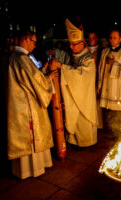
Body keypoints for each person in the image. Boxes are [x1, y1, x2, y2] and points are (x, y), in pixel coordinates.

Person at [7, 31, 58, 179]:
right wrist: (48, 77)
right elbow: (34, 81)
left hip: (22, 103)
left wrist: (42, 71)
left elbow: (32, 76)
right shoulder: (22, 58)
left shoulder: (16, 57)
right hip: (27, 105)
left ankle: (30, 168)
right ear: (25, 40)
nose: (35, 46)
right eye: (34, 42)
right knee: (31, 135)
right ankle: (31, 169)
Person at [50, 18, 98, 147]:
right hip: (73, 94)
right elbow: (66, 59)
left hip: (84, 97)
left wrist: (62, 66)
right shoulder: (74, 55)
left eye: (73, 44)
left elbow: (82, 76)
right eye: (70, 44)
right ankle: (74, 141)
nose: (71, 46)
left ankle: (87, 142)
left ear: (82, 43)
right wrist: (56, 55)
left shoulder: (87, 58)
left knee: (82, 121)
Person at [97, 30, 121, 134]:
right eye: (111, 37)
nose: (111, 40)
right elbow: (101, 69)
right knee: (108, 111)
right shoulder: (105, 52)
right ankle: (109, 132)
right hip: (107, 86)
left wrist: (115, 64)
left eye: (114, 37)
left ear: (120, 39)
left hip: (119, 89)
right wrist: (99, 84)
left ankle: (119, 133)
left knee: (118, 112)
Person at [88, 31, 103, 129]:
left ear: (97, 39)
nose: (91, 40)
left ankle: (98, 124)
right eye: (89, 38)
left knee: (96, 102)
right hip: (87, 79)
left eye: (93, 38)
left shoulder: (101, 51)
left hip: (96, 78)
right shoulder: (85, 49)